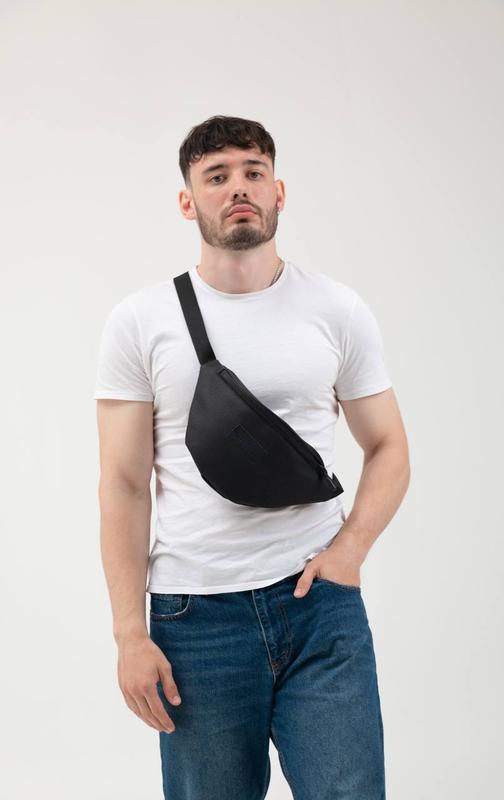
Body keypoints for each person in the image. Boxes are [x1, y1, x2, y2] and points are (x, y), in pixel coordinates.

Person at [94, 114, 410, 800]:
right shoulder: (141, 321)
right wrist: (128, 635)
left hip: (318, 606)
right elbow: (123, 484)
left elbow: (388, 446)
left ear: (278, 191)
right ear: (188, 202)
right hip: (193, 619)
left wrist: (348, 553)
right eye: (216, 176)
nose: (238, 186)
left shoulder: (336, 309)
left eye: (253, 172)